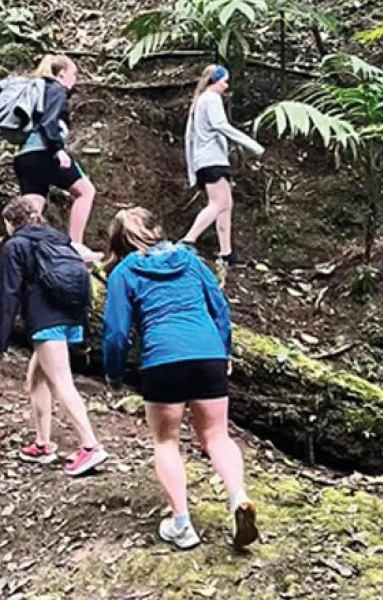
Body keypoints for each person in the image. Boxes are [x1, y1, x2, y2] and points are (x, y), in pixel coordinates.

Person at [102, 207, 257, 550]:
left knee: (166, 441)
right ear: (156, 230)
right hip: (208, 352)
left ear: (118, 243)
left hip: (163, 358)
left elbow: (115, 333)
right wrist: (224, 351)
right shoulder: (190, 261)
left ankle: (181, 524)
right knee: (217, 435)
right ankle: (238, 499)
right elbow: (220, 308)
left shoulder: (124, 273)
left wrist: (113, 374)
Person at [0, 196, 108, 476]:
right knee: (36, 378)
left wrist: (1, 337)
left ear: (11, 222)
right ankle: (43, 444)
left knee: (61, 382)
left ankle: (91, 446)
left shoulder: (16, 245)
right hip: (71, 316)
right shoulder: (58, 239)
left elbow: (9, 294)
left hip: (46, 320)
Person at [14, 54, 102, 262]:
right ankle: (76, 245)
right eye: (74, 74)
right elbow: (49, 122)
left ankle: (25, 255)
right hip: (45, 153)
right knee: (85, 192)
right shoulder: (55, 89)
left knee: (31, 211)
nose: (75, 79)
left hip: (24, 157)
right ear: (62, 74)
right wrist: (58, 150)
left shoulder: (36, 90)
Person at [180, 65, 264, 268]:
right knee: (217, 204)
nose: (226, 86)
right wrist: (252, 145)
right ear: (215, 81)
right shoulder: (211, 98)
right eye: (224, 81)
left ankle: (226, 253)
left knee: (225, 205)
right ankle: (187, 240)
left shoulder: (201, 101)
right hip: (211, 160)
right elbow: (220, 125)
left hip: (210, 160)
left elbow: (191, 136)